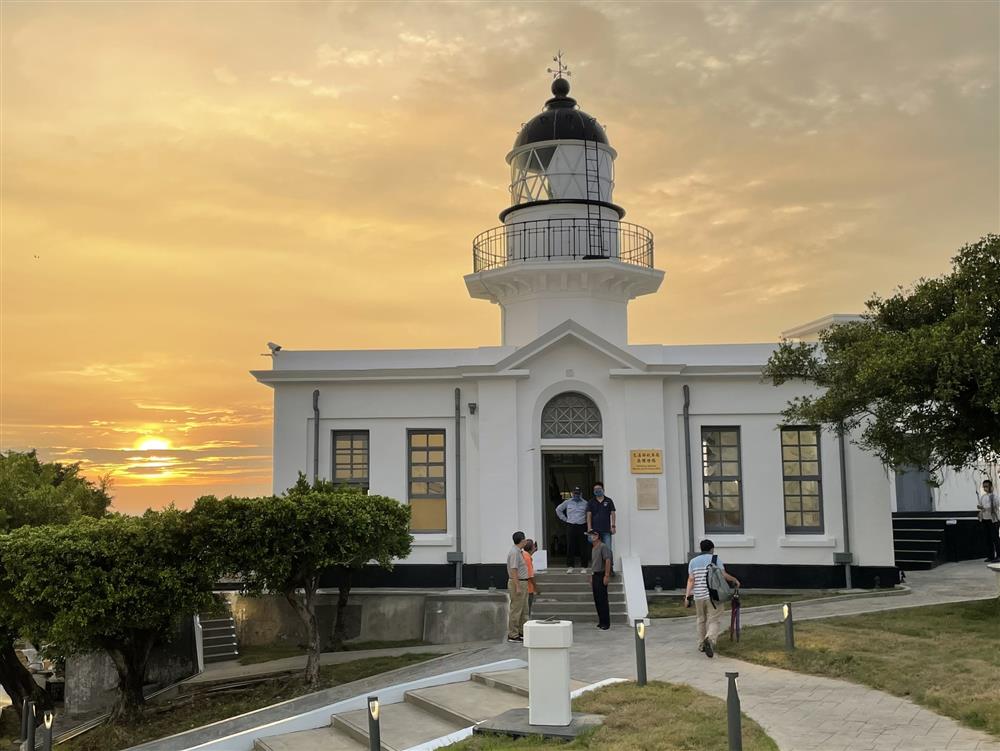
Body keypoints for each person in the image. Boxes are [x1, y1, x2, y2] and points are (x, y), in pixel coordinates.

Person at [684, 539, 741, 658]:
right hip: (713, 596)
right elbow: (723, 575)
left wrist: (687, 596)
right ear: (712, 549)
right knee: (714, 619)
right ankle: (709, 639)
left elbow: (691, 580)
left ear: (701, 548)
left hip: (698, 596)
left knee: (701, 619)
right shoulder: (715, 560)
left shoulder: (693, 562)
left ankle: (701, 645)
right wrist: (734, 580)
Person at [556, 487, 590, 572]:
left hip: (582, 526)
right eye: (575, 493)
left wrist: (587, 522)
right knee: (570, 546)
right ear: (572, 493)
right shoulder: (568, 502)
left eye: (578, 493)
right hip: (571, 525)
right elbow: (558, 509)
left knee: (583, 546)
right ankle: (570, 566)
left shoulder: (586, 503)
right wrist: (565, 519)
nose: (576, 495)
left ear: (581, 494)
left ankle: (584, 566)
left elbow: (589, 514)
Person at [586, 482, 616, 571]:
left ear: (603, 489)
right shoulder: (591, 502)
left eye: (599, 489)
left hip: (606, 530)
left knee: (608, 549)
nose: (597, 491)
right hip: (595, 531)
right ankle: (597, 569)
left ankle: (610, 569)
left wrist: (613, 526)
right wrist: (589, 529)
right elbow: (588, 516)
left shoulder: (609, 501)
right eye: (595, 490)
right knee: (596, 550)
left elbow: (613, 514)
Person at [506, 531, 530, 642]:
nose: (526, 540)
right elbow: (514, 569)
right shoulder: (514, 552)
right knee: (516, 609)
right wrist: (517, 586)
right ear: (522, 540)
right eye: (524, 539)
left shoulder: (518, 551)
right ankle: (513, 634)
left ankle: (521, 631)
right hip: (518, 582)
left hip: (523, 582)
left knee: (524, 609)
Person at [587, 529, 613, 630]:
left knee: (603, 599)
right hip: (595, 575)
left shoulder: (603, 546)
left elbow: (607, 560)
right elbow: (594, 563)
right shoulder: (593, 548)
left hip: (602, 574)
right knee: (597, 599)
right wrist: (591, 575)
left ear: (597, 536)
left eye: (592, 535)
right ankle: (601, 621)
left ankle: (606, 622)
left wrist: (606, 575)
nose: (591, 537)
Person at [978, 479, 1000, 563]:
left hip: (993, 519)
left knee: (995, 538)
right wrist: (980, 508)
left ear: (990, 486)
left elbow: (995, 506)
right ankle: (990, 556)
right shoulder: (983, 496)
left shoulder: (994, 496)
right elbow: (980, 505)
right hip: (985, 519)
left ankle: (998, 555)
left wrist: (985, 508)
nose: (985, 488)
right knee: (988, 539)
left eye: (986, 486)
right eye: (984, 487)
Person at [522, 539, 538, 616]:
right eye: (534, 546)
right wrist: (536, 588)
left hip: (525, 587)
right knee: (527, 609)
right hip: (528, 588)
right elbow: (530, 576)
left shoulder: (524, 555)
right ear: (532, 548)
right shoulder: (527, 558)